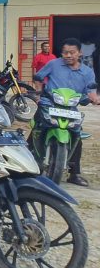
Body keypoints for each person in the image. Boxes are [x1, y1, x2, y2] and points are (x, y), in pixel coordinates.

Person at [32, 38, 100, 186]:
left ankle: (74, 174)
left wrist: (94, 98)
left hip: (70, 109)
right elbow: (39, 76)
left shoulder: (87, 72)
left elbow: (91, 91)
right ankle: (29, 163)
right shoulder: (54, 64)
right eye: (65, 52)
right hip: (49, 103)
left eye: (72, 52)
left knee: (77, 135)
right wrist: (38, 92)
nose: (68, 55)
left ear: (80, 53)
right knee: (37, 128)